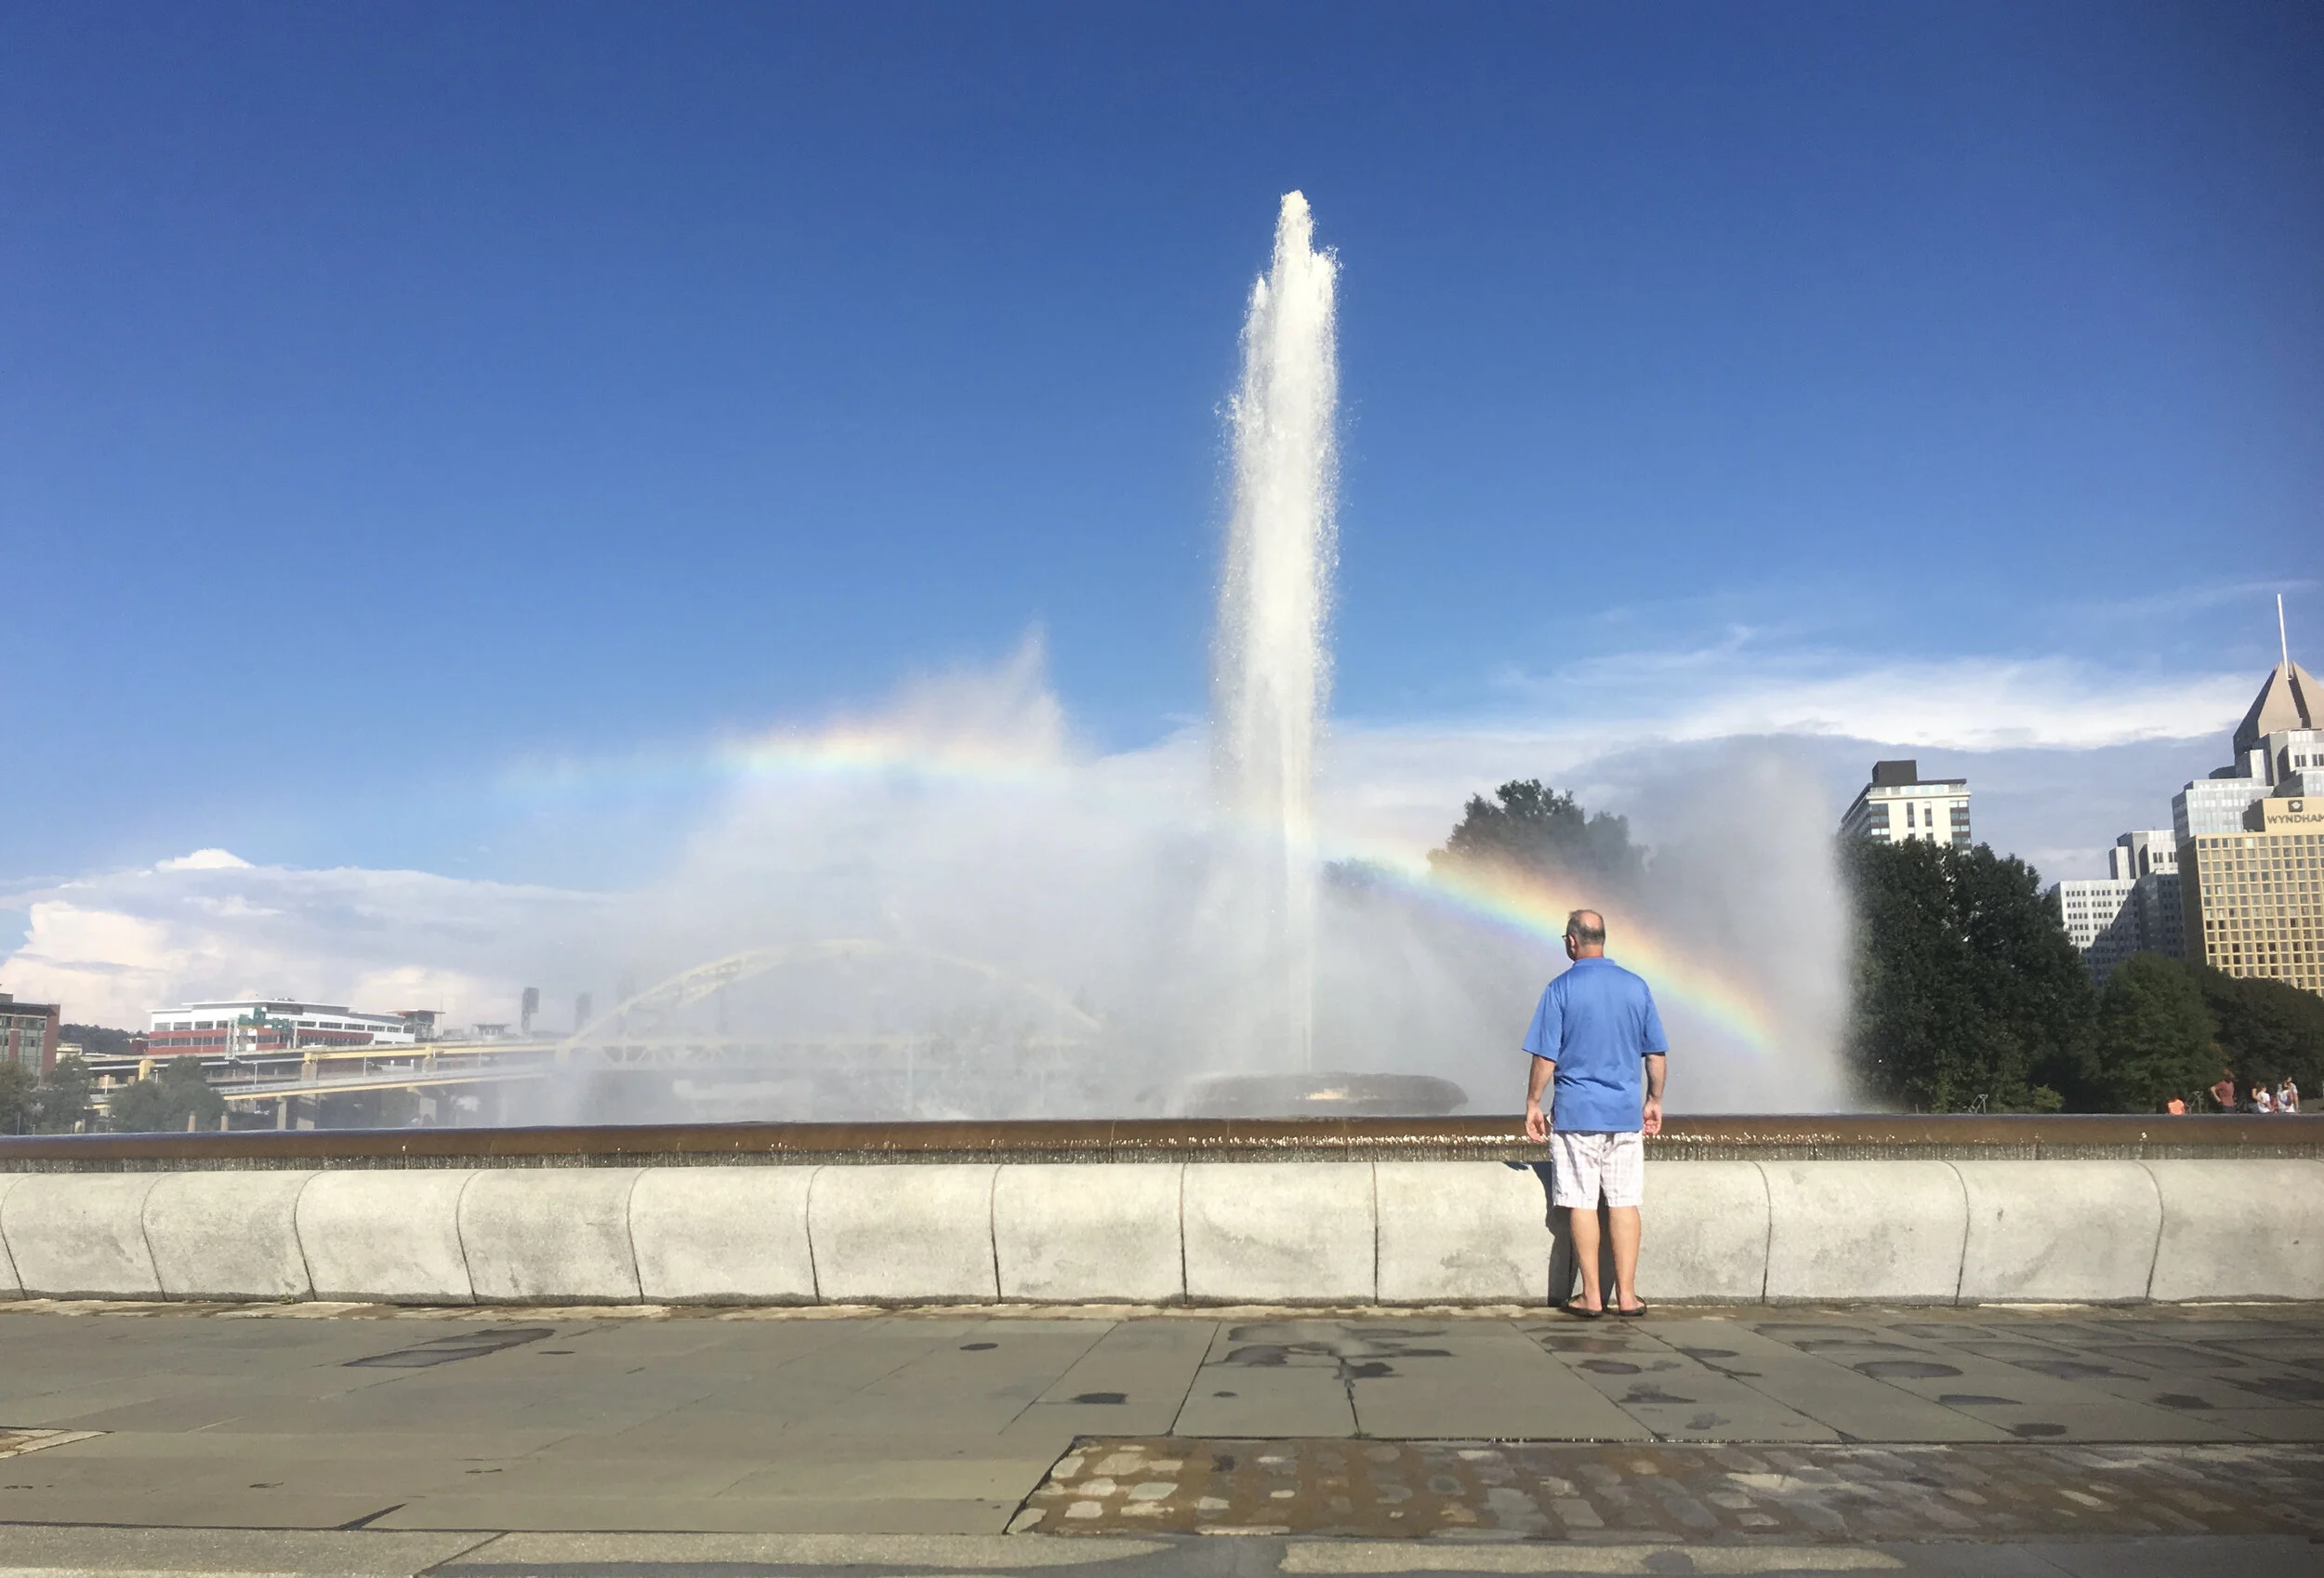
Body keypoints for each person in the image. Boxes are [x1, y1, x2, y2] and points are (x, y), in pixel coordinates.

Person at [1523, 908, 1668, 1320]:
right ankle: (1627, 1295)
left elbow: (1546, 1057)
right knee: (1624, 1202)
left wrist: (1533, 1103)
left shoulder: (1560, 989)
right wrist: (1654, 1100)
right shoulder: (1636, 987)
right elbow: (1655, 1055)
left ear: (1572, 941)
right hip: (1624, 1116)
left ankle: (1590, 1296)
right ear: (1602, 938)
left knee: (1582, 1203)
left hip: (1577, 1114)